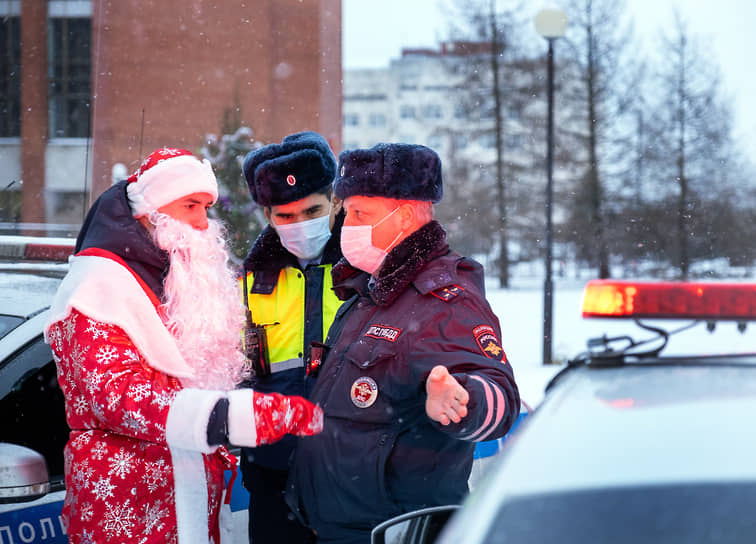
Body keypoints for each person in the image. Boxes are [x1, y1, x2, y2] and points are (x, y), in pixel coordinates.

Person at [44, 147, 323, 544]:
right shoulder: (98, 288)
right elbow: (116, 396)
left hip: (186, 502)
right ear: (148, 210)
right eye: (191, 205)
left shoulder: (171, 282)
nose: (202, 222)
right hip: (126, 510)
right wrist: (228, 417)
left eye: (206, 208)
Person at [286, 143, 521, 544]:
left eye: (361, 214)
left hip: (396, 531)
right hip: (338, 526)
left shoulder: (443, 301)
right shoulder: (370, 288)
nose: (348, 225)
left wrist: (462, 401)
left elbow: (500, 400)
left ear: (407, 215)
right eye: (347, 212)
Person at [239, 131, 344, 543]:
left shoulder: (369, 270)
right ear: (268, 216)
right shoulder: (249, 279)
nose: (300, 224)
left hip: (352, 472)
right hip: (272, 474)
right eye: (285, 216)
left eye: (312, 210)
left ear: (335, 202)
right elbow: (235, 369)